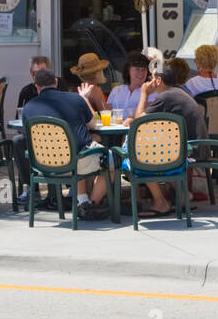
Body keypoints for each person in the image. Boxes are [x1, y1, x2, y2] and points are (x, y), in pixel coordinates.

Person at [20, 67, 111, 219]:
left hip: (43, 166)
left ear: (36, 87)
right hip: (74, 164)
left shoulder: (28, 108)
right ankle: (89, 206)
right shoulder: (75, 99)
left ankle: (83, 200)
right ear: (56, 82)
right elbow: (93, 125)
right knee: (111, 159)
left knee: (79, 146)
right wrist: (85, 99)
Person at [130, 61, 207, 216]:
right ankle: (183, 194)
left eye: (151, 78)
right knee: (151, 150)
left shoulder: (166, 97)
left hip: (190, 150)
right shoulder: (177, 92)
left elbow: (139, 121)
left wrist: (144, 93)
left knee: (141, 154)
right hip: (196, 146)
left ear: (158, 80)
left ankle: (160, 203)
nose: (149, 82)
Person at [107, 51, 150, 120]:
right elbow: (107, 113)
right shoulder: (116, 90)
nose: (141, 73)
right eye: (137, 69)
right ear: (128, 70)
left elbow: (149, 113)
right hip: (116, 128)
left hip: (137, 128)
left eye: (144, 69)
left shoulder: (151, 90)